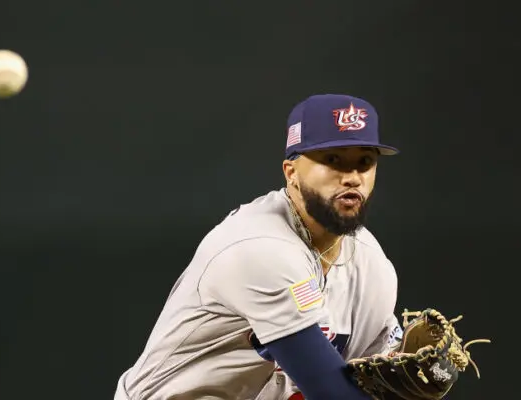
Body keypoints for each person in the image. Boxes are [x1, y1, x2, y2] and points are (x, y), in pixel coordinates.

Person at [113, 94, 405, 400]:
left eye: (365, 162)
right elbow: (331, 391)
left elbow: (382, 375)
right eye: (333, 160)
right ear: (291, 172)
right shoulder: (259, 247)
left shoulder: (372, 265)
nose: (352, 177)